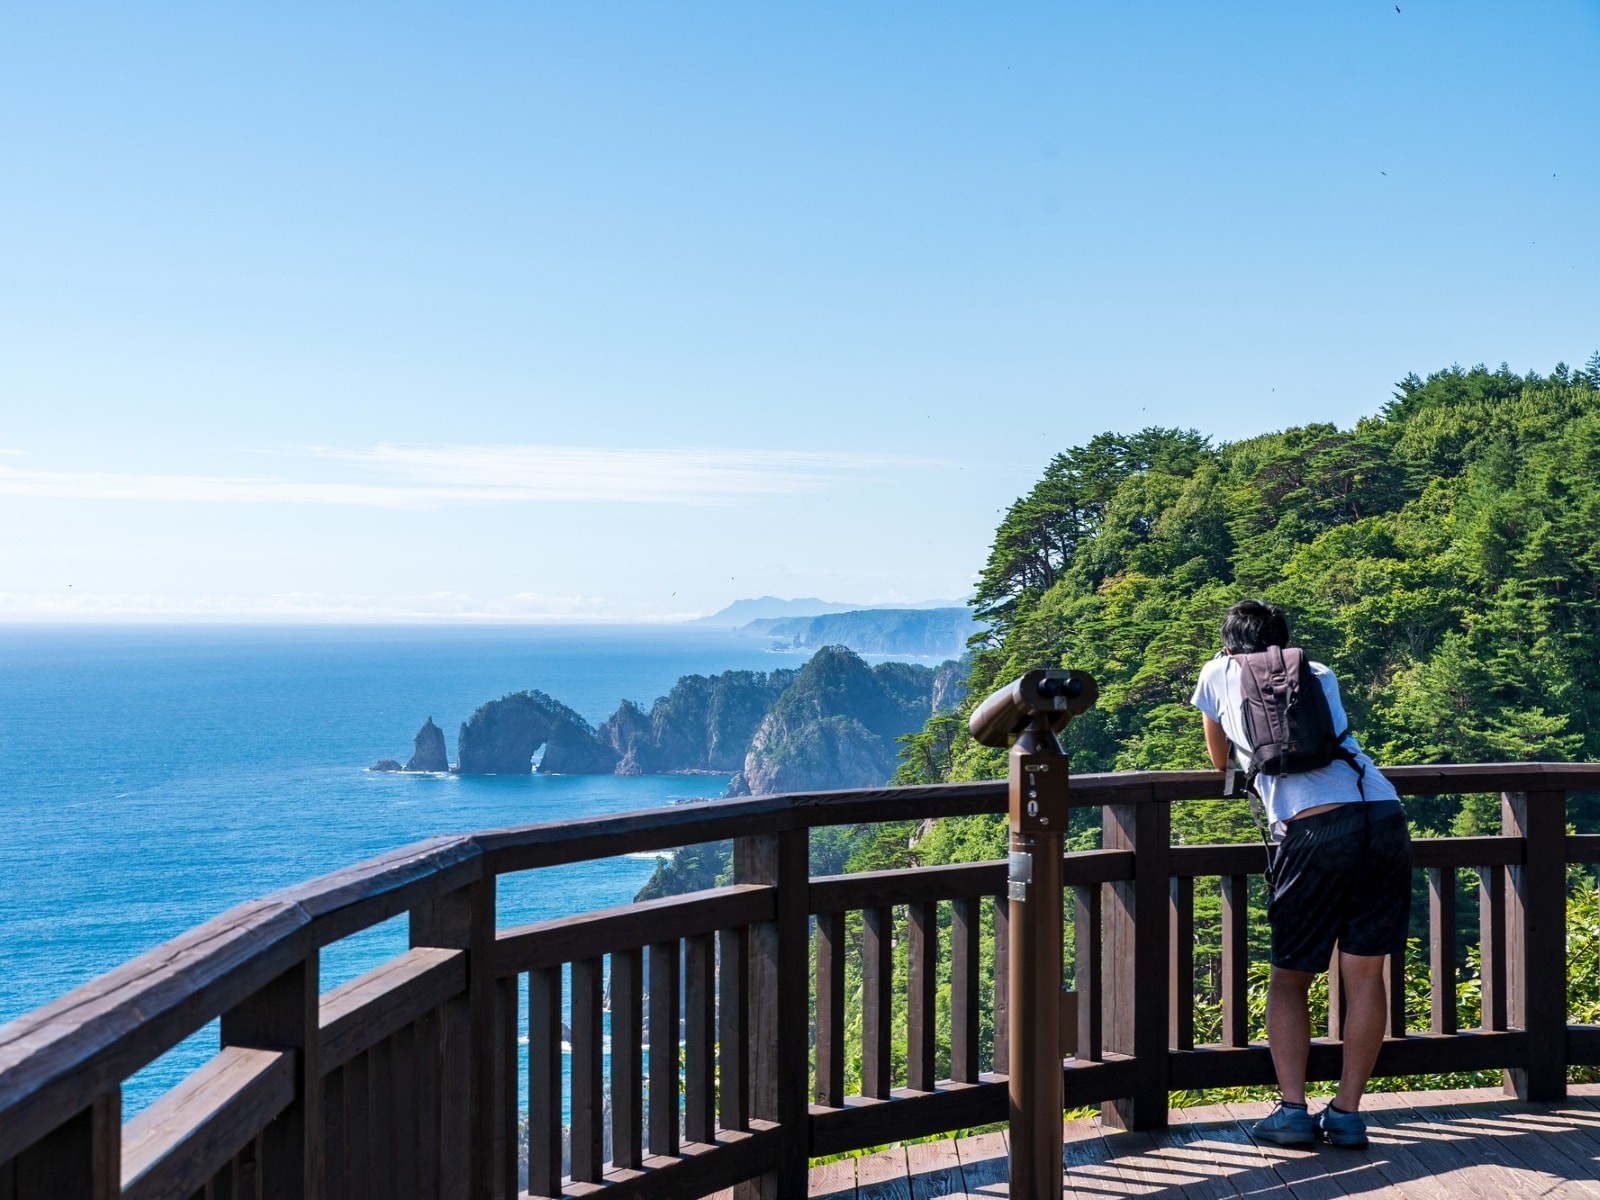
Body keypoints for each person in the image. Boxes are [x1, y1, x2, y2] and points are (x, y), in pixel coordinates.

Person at [1190, 599, 1410, 1149]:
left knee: (1290, 976)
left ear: (1227, 644)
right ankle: (1347, 1114)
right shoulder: (1317, 671)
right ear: (1283, 641)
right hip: (1382, 816)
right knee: (1365, 975)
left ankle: (1292, 1111)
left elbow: (1219, 760)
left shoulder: (1218, 672)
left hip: (1314, 830)